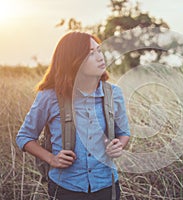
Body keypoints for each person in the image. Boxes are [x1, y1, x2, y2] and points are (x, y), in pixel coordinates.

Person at [16, 31, 130, 200]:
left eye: (99, 50)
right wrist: (51, 159)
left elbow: (124, 133)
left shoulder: (114, 93)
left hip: (107, 185)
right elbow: (24, 136)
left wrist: (118, 145)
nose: (100, 57)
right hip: (65, 188)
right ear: (73, 61)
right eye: (91, 54)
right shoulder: (49, 96)